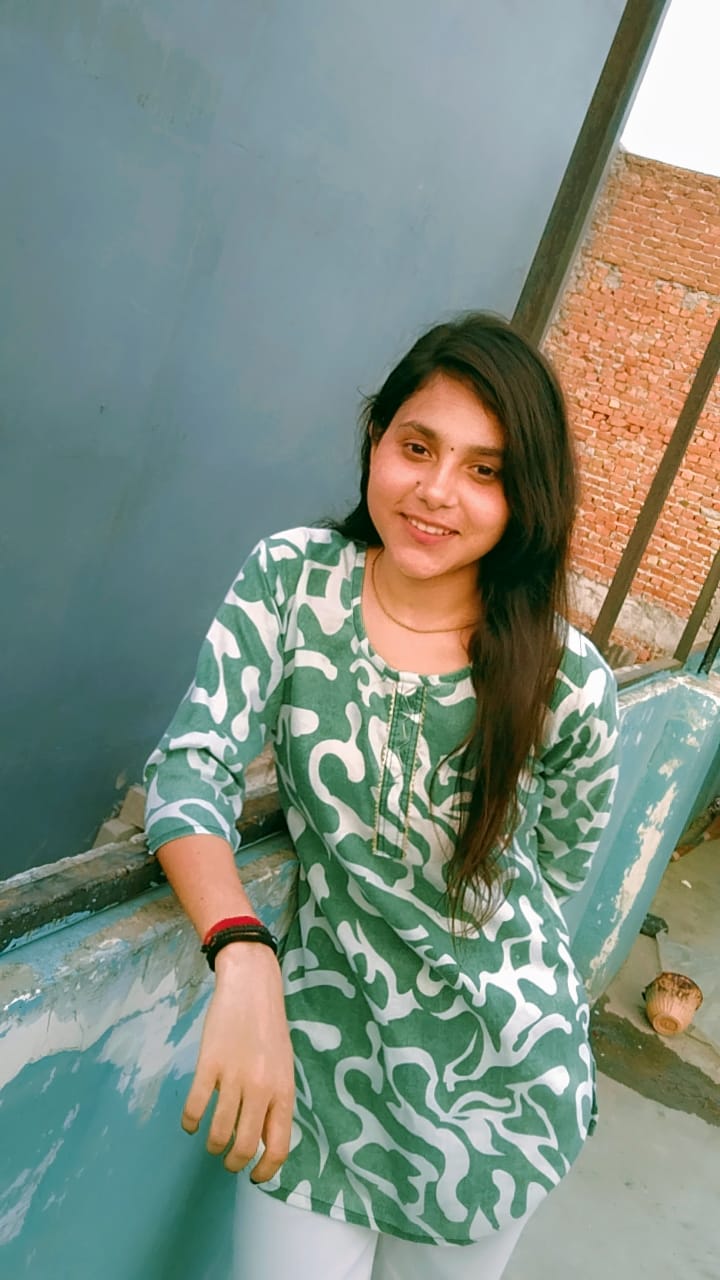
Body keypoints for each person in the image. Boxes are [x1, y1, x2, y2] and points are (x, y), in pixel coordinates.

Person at [144, 312, 620, 1279]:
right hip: (314, 1063)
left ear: (525, 497)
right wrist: (242, 952)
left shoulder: (563, 679)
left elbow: (557, 873)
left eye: (485, 470)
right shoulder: (292, 582)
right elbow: (191, 768)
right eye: (418, 447)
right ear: (376, 439)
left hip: (498, 1095)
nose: (437, 491)